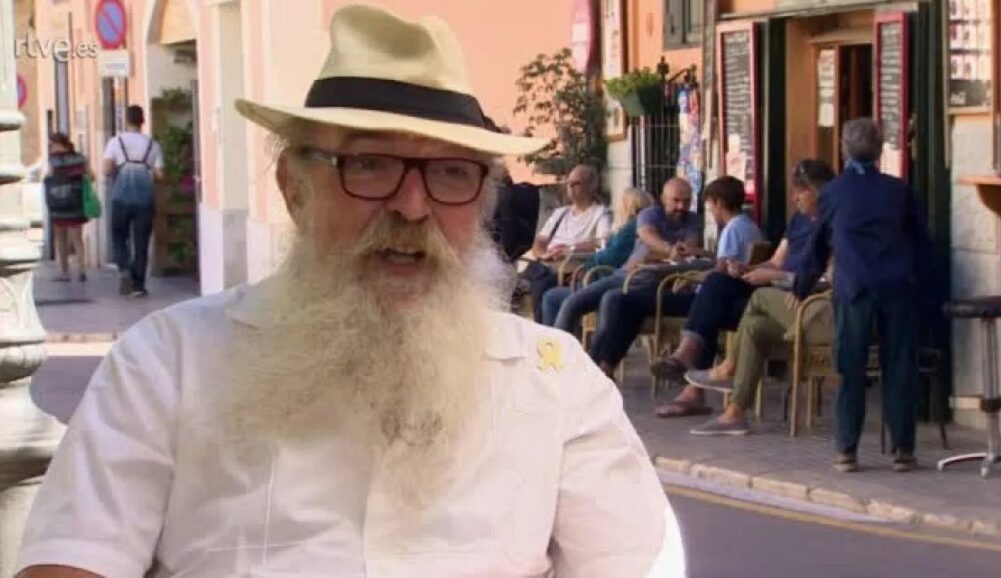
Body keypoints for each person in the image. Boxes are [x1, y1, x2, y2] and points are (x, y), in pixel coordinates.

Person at [14, 5, 684, 578]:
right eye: (370, 164)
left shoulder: (558, 387)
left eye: (451, 173)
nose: (413, 207)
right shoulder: (166, 363)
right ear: (294, 187)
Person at [791, 118, 936, 473]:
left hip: (854, 286)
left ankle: (846, 450)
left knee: (850, 366)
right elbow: (922, 240)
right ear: (881, 148)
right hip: (897, 285)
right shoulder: (898, 190)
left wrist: (802, 285)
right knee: (899, 366)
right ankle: (903, 449)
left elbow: (818, 244)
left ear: (843, 149)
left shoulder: (834, 193)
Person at [651, 160, 835, 426]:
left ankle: (707, 374)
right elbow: (775, 261)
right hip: (776, 291)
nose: (794, 197)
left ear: (819, 191)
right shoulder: (798, 221)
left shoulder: (835, 225)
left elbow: (825, 279)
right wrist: (749, 268)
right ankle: (716, 393)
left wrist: (772, 276)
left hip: (803, 300)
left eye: (801, 191)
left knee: (737, 306)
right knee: (719, 283)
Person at [587, 177, 703, 376]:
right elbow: (656, 241)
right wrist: (673, 252)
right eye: (676, 200)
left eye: (686, 201)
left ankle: (596, 370)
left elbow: (693, 254)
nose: (681, 206)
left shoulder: (701, 222)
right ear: (662, 199)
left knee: (617, 300)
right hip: (651, 282)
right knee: (608, 301)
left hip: (681, 292)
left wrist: (680, 254)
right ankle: (598, 369)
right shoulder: (650, 215)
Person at [540, 186, 653, 332]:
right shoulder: (637, 226)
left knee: (551, 297)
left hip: (607, 278)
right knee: (549, 287)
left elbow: (612, 257)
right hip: (608, 277)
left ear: (628, 206)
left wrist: (587, 266)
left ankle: (557, 346)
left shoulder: (631, 228)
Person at [520, 164, 612, 320]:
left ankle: (546, 334)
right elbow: (540, 241)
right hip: (546, 263)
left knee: (543, 286)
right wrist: (544, 254)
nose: (570, 187)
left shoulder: (600, 213)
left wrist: (569, 249)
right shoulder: (561, 213)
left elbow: (601, 242)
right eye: (568, 183)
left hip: (571, 266)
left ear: (591, 186)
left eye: (576, 183)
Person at [103, 104, 164, 298]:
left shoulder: (115, 142)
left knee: (119, 236)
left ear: (126, 120)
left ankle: (124, 269)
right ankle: (138, 285)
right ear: (142, 121)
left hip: (121, 197)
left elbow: (106, 169)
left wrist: (118, 168)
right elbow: (160, 174)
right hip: (145, 200)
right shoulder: (153, 145)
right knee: (142, 242)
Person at [43, 133, 93, 282]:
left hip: (58, 203)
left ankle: (65, 272)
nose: (50, 148)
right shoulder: (80, 158)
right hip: (75, 202)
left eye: (52, 145)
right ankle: (82, 269)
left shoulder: (54, 161)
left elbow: (49, 177)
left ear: (59, 144)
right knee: (77, 238)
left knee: (61, 239)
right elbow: (91, 176)